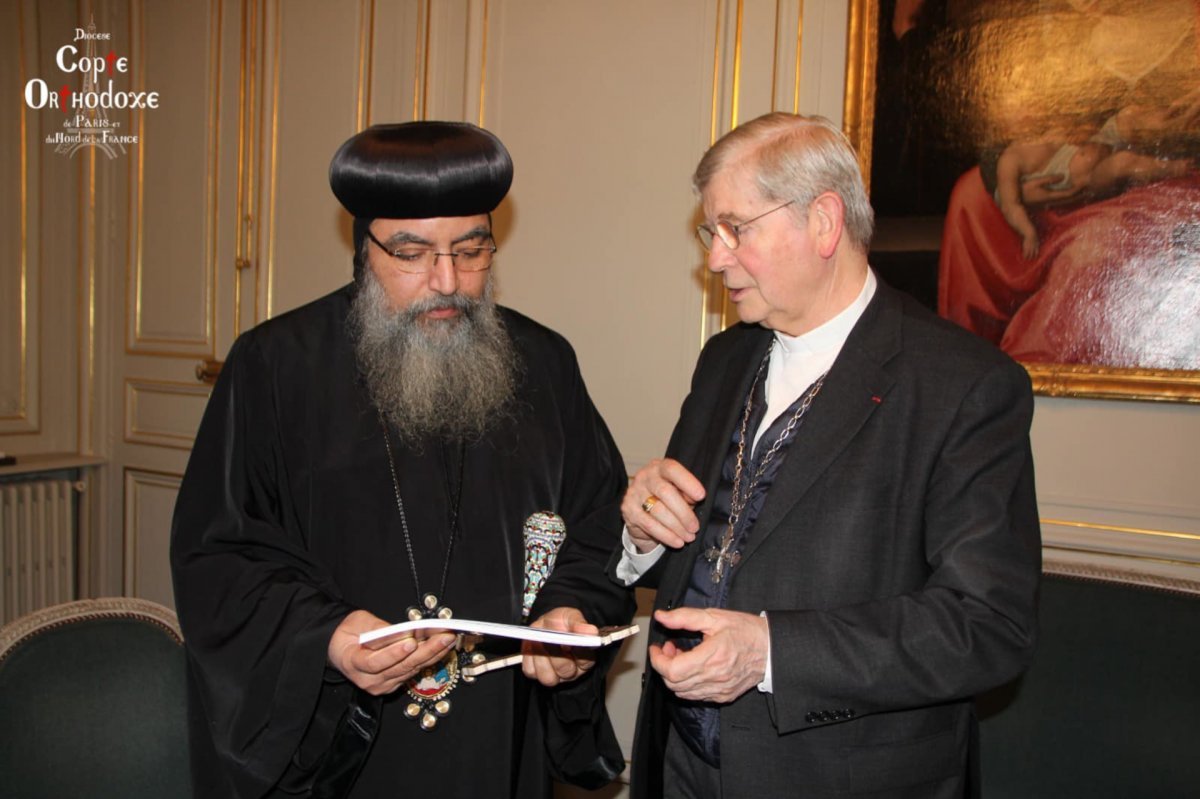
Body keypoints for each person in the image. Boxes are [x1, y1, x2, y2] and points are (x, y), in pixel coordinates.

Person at [170, 121, 633, 798]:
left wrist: (568, 609)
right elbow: (220, 554)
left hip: (495, 736)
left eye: (472, 251)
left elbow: (599, 527)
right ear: (366, 250)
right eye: (413, 254)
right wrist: (324, 635)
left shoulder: (545, 363)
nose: (447, 281)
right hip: (341, 750)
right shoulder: (274, 366)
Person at [614, 113, 1041, 798]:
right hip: (681, 764)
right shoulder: (725, 358)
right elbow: (717, 546)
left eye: (736, 229)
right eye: (710, 233)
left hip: (841, 775)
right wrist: (641, 532)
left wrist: (771, 651)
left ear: (823, 221)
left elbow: (985, 625)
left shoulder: (962, 385)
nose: (715, 257)